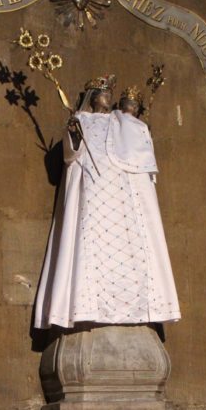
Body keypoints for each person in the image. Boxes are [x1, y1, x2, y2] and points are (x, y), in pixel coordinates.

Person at [33, 77, 181, 329]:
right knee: (89, 245)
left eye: (111, 95)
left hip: (122, 197)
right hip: (92, 191)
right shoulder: (82, 119)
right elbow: (71, 155)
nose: (108, 98)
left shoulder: (121, 121)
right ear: (93, 96)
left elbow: (138, 149)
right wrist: (73, 133)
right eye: (104, 94)